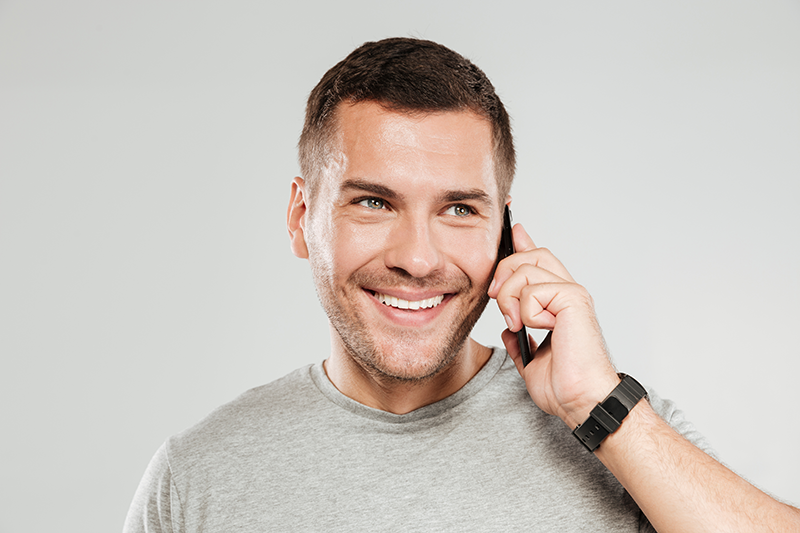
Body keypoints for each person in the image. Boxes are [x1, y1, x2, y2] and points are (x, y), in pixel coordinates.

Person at [124, 37, 799, 532]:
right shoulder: (198, 477)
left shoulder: (616, 429)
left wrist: (602, 407)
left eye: (459, 209)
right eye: (373, 202)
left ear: (504, 232)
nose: (418, 259)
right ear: (302, 217)